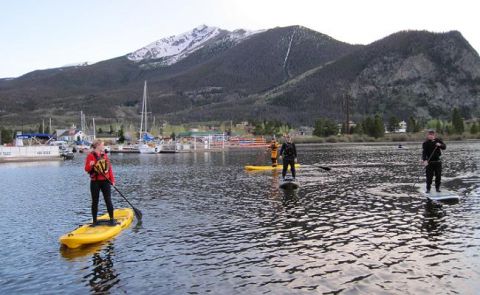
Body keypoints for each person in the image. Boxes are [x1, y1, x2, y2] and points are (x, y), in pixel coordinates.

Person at [85, 139, 117, 226]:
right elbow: (86, 169)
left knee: (108, 200)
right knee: (95, 201)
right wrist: (90, 165)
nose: (103, 146)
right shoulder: (90, 156)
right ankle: (94, 221)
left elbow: (109, 169)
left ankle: (111, 219)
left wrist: (112, 180)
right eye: (102, 145)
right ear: (98, 145)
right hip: (95, 182)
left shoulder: (104, 155)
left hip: (105, 181)